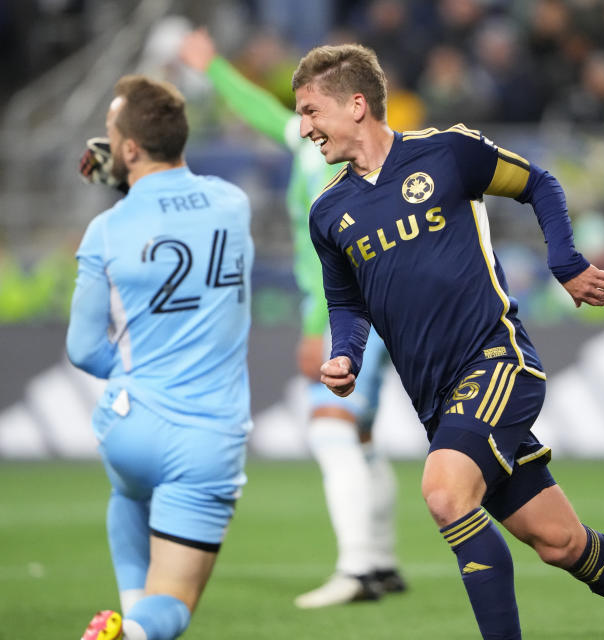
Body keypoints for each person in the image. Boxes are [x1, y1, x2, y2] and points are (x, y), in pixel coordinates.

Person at [294, 43, 604, 639]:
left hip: (496, 361)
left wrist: (565, 261)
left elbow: (538, 183)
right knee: (560, 542)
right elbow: (346, 301)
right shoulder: (329, 211)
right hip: (437, 399)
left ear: (356, 104)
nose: (304, 126)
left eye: (311, 111)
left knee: (444, 493)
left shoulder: (447, 153)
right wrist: (346, 354)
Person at [177, 28, 406, 607]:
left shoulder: (341, 163)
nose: (300, 120)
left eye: (310, 108)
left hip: (351, 308)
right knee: (359, 431)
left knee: (331, 428)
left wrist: (315, 329)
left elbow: (343, 255)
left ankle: (358, 568)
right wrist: (214, 68)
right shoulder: (316, 141)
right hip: (369, 305)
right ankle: (379, 561)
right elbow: (261, 112)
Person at [70, 75, 254, 640]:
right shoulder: (233, 203)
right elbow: (179, 204)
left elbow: (82, 348)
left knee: (128, 491)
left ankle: (127, 613)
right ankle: (131, 631)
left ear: (127, 148)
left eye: (111, 133)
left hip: (129, 423)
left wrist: (131, 371)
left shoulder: (106, 230)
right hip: (203, 435)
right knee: (171, 605)